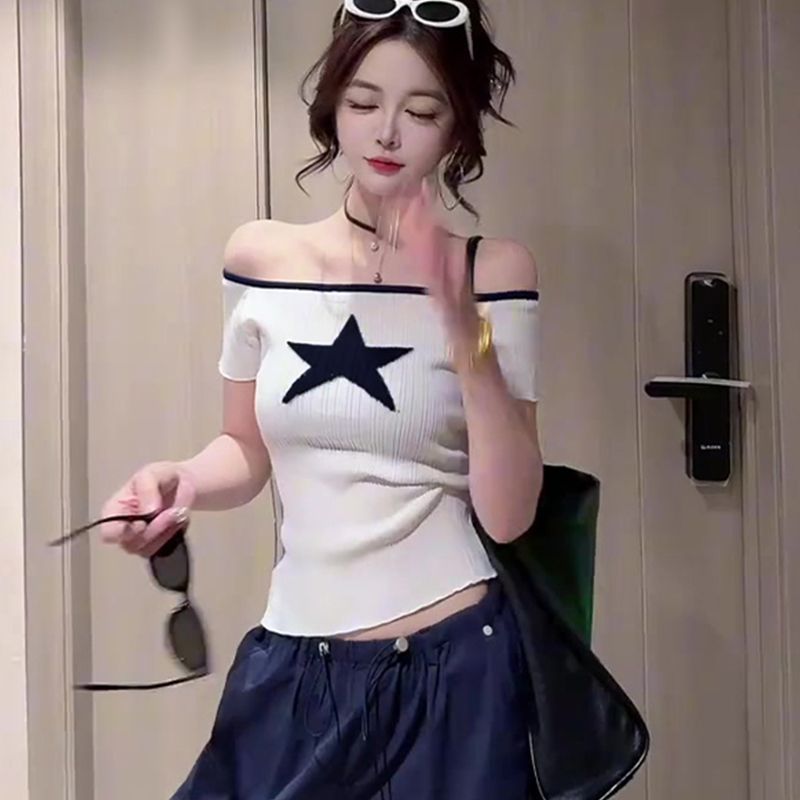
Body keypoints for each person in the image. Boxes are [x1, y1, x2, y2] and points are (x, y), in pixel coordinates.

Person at [99, 2, 545, 797]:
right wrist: (181, 480)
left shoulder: (494, 271)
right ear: (333, 105)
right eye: (365, 103)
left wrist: (465, 334)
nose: (387, 134)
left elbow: (510, 515)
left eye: (422, 112)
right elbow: (245, 449)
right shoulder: (261, 256)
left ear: (456, 129)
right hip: (297, 661)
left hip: (454, 668)